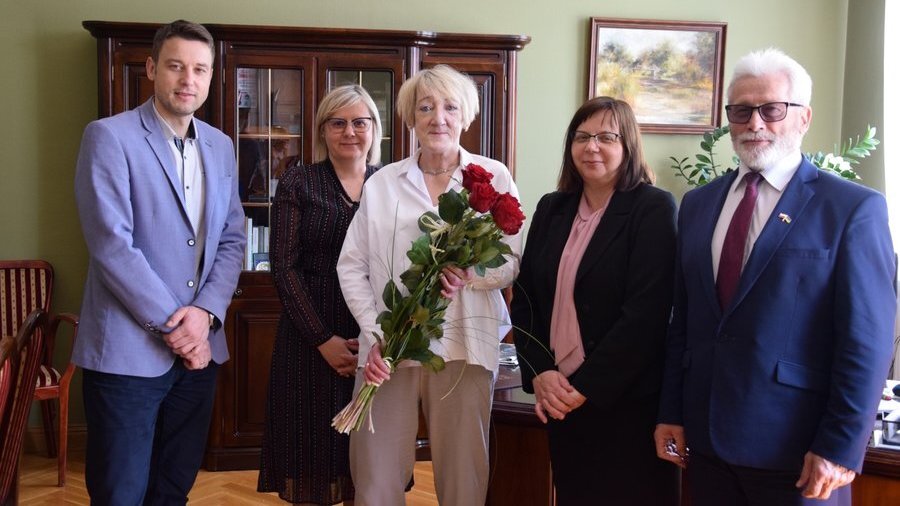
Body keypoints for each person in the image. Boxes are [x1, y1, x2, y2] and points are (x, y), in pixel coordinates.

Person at [655, 48, 896, 506]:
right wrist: (672, 411)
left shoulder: (850, 209)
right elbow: (682, 323)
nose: (755, 123)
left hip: (800, 454)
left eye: (771, 109)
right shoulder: (698, 204)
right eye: (741, 111)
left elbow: (867, 341)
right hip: (705, 448)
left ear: (803, 118)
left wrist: (840, 446)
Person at [73, 20, 246, 504]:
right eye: (175, 66)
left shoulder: (221, 145)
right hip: (127, 355)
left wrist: (206, 315)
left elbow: (232, 239)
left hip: (200, 355)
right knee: (119, 492)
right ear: (152, 68)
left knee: (173, 487)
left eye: (199, 69)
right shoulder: (108, 137)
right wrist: (179, 327)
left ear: (210, 77)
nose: (187, 79)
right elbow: (112, 245)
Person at [337, 64, 523, 506]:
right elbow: (352, 265)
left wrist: (472, 276)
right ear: (410, 118)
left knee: (463, 475)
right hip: (389, 352)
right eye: (425, 107)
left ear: (465, 116)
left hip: (465, 348)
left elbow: (513, 261)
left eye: (449, 107)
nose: (438, 117)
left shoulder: (493, 177)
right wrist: (377, 333)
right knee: (376, 475)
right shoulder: (382, 183)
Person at [511, 96, 679, 505]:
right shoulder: (553, 208)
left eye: (607, 137)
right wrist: (541, 373)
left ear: (628, 146)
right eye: (582, 137)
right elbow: (526, 297)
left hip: (625, 404)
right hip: (560, 398)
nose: (592, 147)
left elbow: (645, 315)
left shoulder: (652, 208)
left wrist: (582, 388)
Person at [257, 84, 382, 505]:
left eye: (359, 122)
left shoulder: (391, 183)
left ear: (374, 129)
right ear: (323, 131)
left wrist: (387, 335)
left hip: (376, 337)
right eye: (338, 122)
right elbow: (284, 267)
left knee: (370, 457)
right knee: (312, 456)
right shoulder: (300, 180)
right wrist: (322, 340)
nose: (350, 131)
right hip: (309, 337)